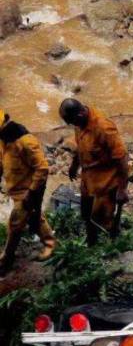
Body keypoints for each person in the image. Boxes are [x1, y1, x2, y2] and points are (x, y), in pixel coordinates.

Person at [59, 99, 129, 246]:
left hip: (106, 183)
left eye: (72, 122)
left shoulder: (103, 128)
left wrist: (122, 189)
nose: (72, 125)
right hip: (88, 179)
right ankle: (91, 242)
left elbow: (121, 158)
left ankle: (109, 246)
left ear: (79, 115)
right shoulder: (80, 123)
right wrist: (74, 165)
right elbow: (80, 146)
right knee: (86, 214)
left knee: (103, 219)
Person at [0, 110, 57, 274]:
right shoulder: (4, 140)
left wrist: (31, 193)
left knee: (15, 225)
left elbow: (42, 169)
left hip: (27, 192)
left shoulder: (26, 141)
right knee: (34, 217)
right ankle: (50, 243)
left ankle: (6, 259)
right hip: (15, 189)